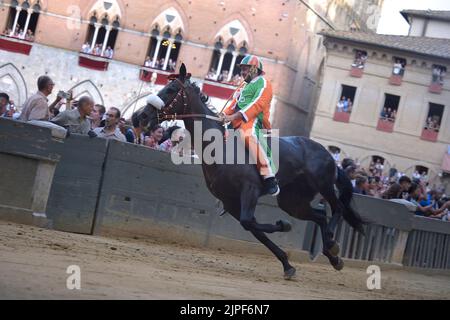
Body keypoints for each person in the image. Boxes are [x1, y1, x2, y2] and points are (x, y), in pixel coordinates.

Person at [220, 54, 279, 196]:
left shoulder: (264, 83)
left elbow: (257, 105)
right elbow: (233, 105)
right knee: (218, 137)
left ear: (254, 70)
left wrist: (233, 116)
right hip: (236, 121)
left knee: (247, 136)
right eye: (242, 70)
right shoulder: (242, 87)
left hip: (255, 120)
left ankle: (269, 177)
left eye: (246, 69)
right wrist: (222, 115)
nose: (242, 73)